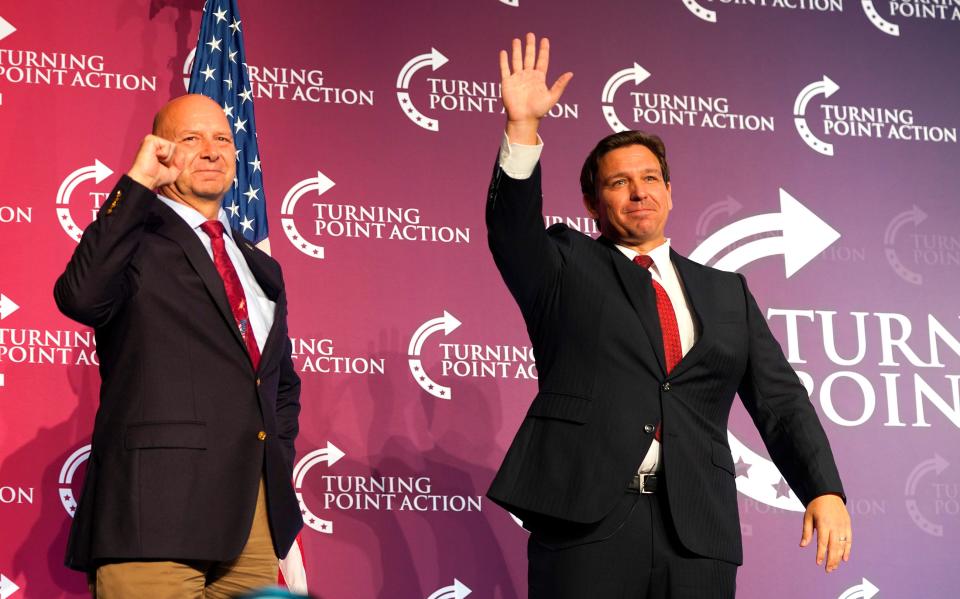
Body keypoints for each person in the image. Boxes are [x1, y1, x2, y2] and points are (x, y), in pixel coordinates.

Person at [485, 34, 852, 598]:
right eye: (618, 183)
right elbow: (511, 231)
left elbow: (781, 401)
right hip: (587, 524)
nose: (638, 192)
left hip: (698, 532)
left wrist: (823, 490)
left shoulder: (727, 293)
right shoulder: (564, 263)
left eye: (650, 178)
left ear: (670, 192)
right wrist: (522, 130)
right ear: (593, 203)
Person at [54, 94, 302, 599]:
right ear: (160, 151)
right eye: (191, 139)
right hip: (156, 513)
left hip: (252, 520)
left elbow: (279, 383)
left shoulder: (260, 265)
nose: (211, 151)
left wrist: (272, 461)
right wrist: (138, 184)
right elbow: (79, 297)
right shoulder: (134, 242)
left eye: (223, 140)